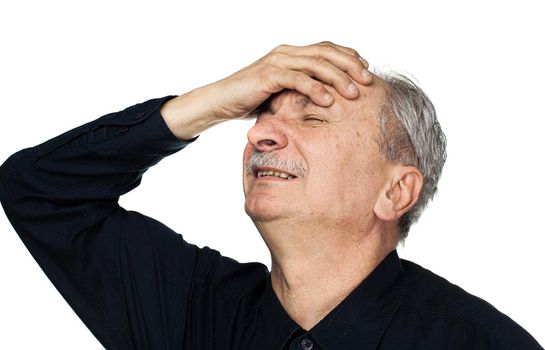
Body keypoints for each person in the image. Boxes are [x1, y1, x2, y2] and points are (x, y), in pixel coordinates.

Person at [0, 42, 541, 349]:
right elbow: (39, 191)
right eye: (260, 115)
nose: (259, 134)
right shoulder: (191, 307)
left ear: (395, 190)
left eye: (312, 118)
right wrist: (212, 101)